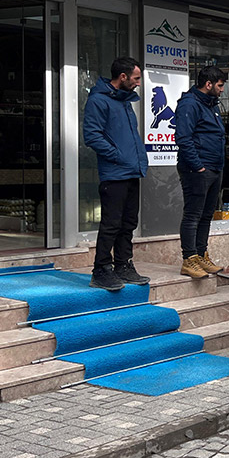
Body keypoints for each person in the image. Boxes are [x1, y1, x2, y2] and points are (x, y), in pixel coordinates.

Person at [82, 57, 151, 290]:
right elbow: (92, 136)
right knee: (111, 223)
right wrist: (118, 155)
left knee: (129, 222)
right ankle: (101, 269)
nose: (138, 83)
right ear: (122, 77)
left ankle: (123, 265)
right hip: (114, 173)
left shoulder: (124, 101)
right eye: (136, 78)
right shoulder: (98, 101)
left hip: (132, 171)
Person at [175, 66, 228, 279]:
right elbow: (183, 138)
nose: (222, 90)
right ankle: (189, 259)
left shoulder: (211, 105)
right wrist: (198, 166)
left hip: (215, 167)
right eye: (220, 85)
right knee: (193, 214)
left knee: (206, 215)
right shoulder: (189, 104)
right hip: (197, 169)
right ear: (209, 84)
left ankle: (201, 254)